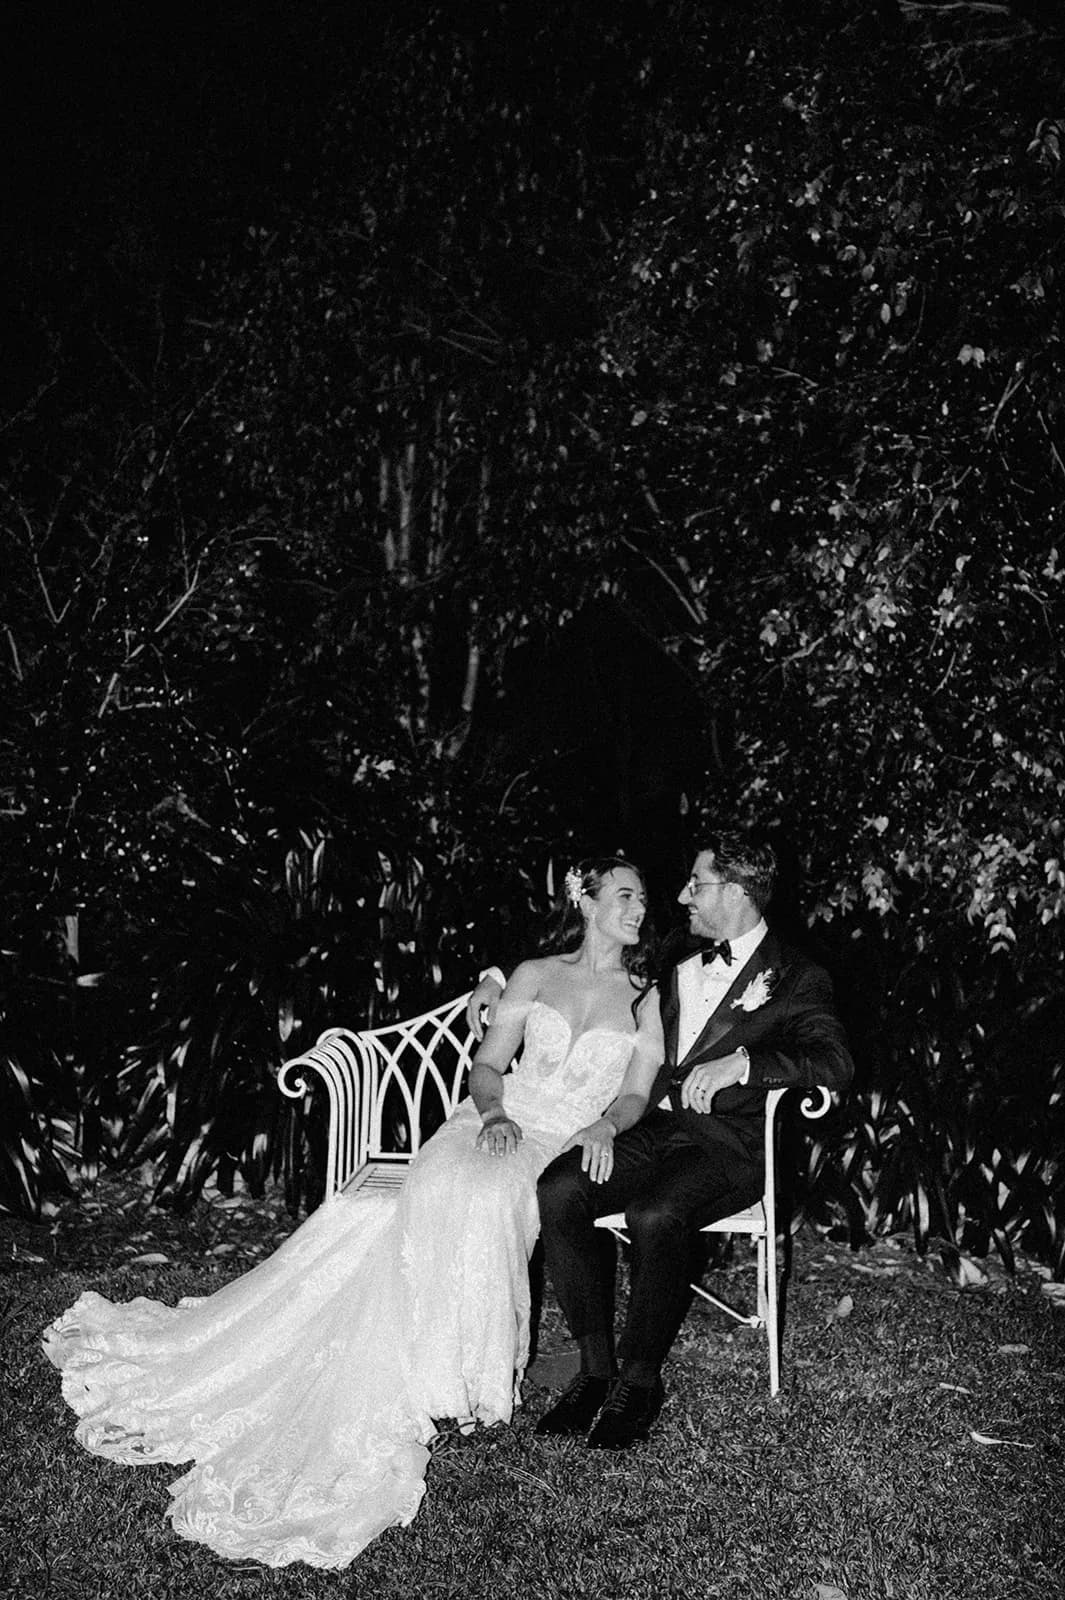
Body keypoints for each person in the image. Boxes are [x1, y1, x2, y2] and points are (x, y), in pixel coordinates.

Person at [43, 857, 663, 1569]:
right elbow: (488, 1064)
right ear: (583, 902)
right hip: (497, 1116)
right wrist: (491, 1113)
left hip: (560, 1136)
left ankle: (463, 1380)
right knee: (442, 1180)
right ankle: (428, 1362)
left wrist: (607, 1125)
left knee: (493, 1197)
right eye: (624, 895)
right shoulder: (532, 973)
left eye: (641, 898)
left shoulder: (644, 995)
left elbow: (638, 1090)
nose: (638, 908)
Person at [469, 829, 853, 1451]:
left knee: (656, 1213)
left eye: (696, 886)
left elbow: (833, 1062)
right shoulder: (677, 950)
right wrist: (492, 978)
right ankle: (595, 1372)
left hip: (733, 1147)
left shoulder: (798, 975)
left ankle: (639, 1382)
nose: (681, 897)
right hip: (657, 1129)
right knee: (561, 1188)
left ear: (736, 891)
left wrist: (747, 1065)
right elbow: (588, 947)